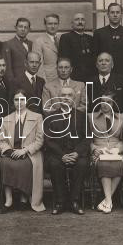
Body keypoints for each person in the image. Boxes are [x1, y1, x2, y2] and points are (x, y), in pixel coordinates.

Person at [0, 90, 46, 212]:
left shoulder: (37, 117)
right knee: (5, 163)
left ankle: (24, 197)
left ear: (26, 101)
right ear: (13, 102)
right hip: (11, 152)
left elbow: (40, 140)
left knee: (25, 165)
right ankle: (9, 200)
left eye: (22, 100)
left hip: (29, 153)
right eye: (16, 100)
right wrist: (8, 150)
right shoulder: (6, 119)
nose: (19, 103)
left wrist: (25, 150)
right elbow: (1, 141)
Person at [44, 86, 89, 215]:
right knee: (54, 164)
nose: (66, 98)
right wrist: (62, 155)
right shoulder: (50, 117)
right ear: (59, 98)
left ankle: (75, 201)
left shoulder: (82, 116)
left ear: (74, 98)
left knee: (82, 164)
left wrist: (77, 153)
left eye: (69, 95)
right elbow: (48, 140)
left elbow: (87, 138)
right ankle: (60, 202)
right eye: (63, 95)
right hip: (57, 154)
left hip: (77, 153)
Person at [89, 90, 123, 213]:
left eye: (108, 102)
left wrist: (118, 149)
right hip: (99, 150)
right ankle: (109, 200)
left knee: (120, 164)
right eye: (102, 101)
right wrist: (94, 149)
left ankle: (106, 201)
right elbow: (87, 139)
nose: (105, 104)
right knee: (104, 164)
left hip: (116, 150)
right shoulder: (90, 117)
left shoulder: (121, 117)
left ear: (114, 103)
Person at [93, 2, 123, 77]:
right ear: (108, 15)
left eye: (117, 12)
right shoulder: (99, 33)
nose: (115, 15)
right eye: (112, 12)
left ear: (121, 15)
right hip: (104, 74)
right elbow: (95, 55)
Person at [58, 12, 97, 83]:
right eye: (77, 19)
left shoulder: (90, 38)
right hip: (74, 78)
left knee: (89, 90)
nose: (80, 22)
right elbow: (64, 59)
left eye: (82, 20)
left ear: (85, 23)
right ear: (72, 24)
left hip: (90, 77)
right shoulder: (66, 37)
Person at [3, 17, 33, 83]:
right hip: (17, 82)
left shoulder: (31, 44)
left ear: (29, 30)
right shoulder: (8, 44)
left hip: (30, 81)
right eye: (20, 26)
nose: (23, 29)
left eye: (25, 27)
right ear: (15, 28)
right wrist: (12, 83)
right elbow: (7, 68)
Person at [32, 13, 61, 81]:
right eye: (50, 24)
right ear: (45, 25)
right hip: (49, 79)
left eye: (55, 24)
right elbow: (38, 66)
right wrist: (44, 82)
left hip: (62, 78)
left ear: (58, 25)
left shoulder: (61, 40)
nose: (53, 26)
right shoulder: (39, 41)